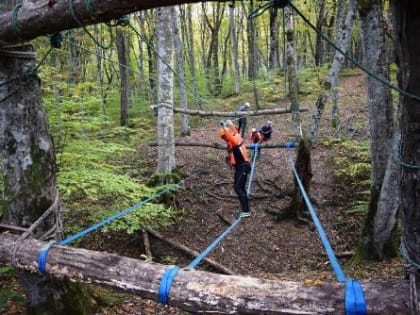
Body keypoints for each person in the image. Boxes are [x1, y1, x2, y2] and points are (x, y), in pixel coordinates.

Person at [219, 120, 251, 218]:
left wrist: (225, 127)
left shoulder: (234, 141)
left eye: (224, 137)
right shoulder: (235, 137)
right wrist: (231, 125)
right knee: (239, 187)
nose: (224, 139)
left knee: (238, 188)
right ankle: (245, 209)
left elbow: (231, 137)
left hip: (243, 167)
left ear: (226, 135)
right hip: (239, 167)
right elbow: (236, 132)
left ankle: (246, 211)